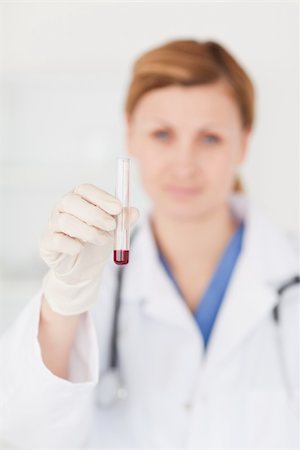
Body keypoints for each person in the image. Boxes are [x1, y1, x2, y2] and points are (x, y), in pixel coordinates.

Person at [0, 39, 299, 450]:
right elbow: (24, 429)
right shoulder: (99, 280)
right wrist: (62, 306)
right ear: (130, 136)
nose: (184, 163)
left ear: (244, 142)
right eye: (162, 134)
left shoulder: (290, 277)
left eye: (209, 138)